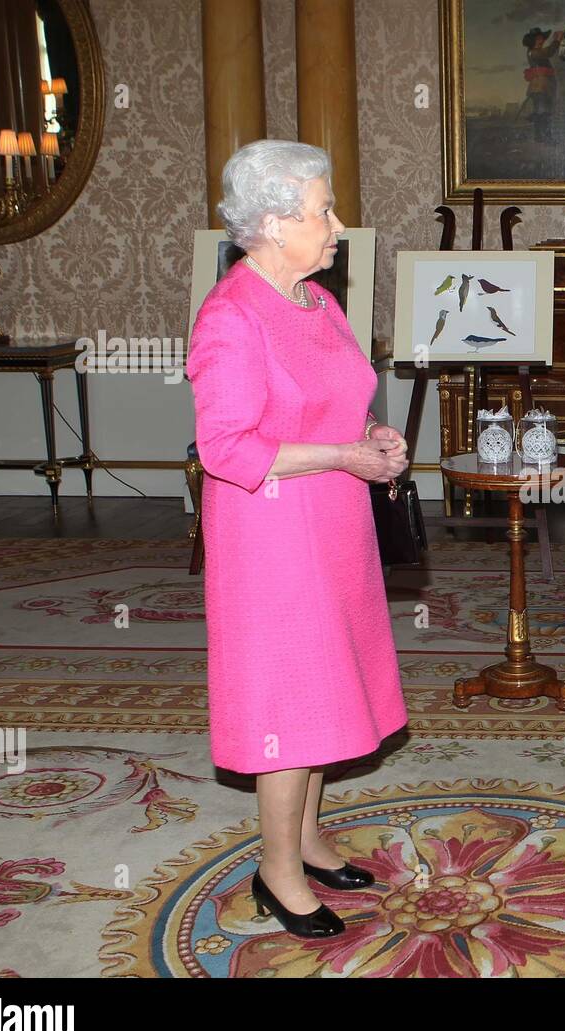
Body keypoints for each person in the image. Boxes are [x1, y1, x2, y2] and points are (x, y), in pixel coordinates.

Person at [186, 140, 409, 940]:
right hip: (271, 538)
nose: (338, 224)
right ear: (277, 224)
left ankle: (308, 839)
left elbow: (341, 398)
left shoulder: (318, 301)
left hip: (336, 524)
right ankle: (276, 872)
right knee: (290, 697)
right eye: (323, 211)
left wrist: (374, 436)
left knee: (326, 686)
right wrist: (343, 455)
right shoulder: (232, 316)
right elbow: (226, 448)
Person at [522, 27, 564, 144]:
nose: (541, 41)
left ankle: (539, 137)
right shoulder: (534, 52)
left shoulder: (536, 51)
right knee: (545, 112)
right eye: (538, 39)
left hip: (543, 86)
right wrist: (557, 40)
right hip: (540, 87)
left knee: (541, 112)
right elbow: (549, 52)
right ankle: (546, 138)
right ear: (532, 41)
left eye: (541, 39)